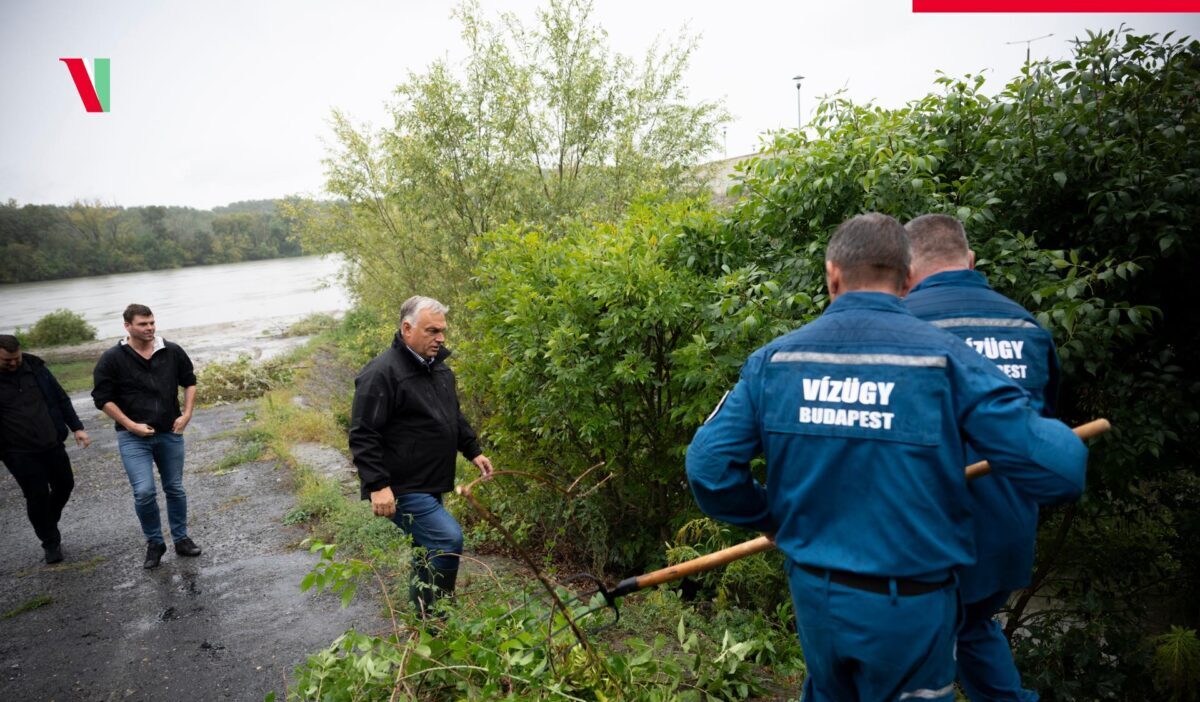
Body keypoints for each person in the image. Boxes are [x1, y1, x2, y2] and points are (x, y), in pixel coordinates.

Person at [685, 213, 1087, 702]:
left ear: (833, 273)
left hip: (816, 597)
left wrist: (772, 516)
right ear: (905, 277)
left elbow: (709, 468)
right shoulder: (948, 359)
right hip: (911, 607)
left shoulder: (776, 360)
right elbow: (1060, 469)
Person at [904, 213, 1059, 702]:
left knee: (912, 656)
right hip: (1006, 530)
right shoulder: (1027, 327)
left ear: (905, 271)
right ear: (970, 260)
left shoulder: (901, 326)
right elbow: (1039, 432)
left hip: (924, 532)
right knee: (973, 626)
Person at [349, 295, 493, 618]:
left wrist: (473, 450)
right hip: (401, 487)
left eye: (442, 331)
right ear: (407, 329)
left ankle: (422, 622)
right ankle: (440, 617)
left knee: (425, 551)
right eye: (432, 331)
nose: (440, 338)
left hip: (430, 482)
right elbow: (363, 433)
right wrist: (377, 485)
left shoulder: (439, 370)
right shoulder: (381, 373)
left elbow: (451, 416)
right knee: (447, 538)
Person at [92, 304, 201, 569]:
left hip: (169, 433)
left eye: (152, 322)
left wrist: (186, 414)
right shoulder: (112, 358)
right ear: (127, 326)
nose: (150, 328)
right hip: (133, 437)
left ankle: (181, 538)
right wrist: (130, 425)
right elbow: (102, 399)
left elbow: (189, 381)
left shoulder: (171, 350)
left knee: (174, 487)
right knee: (143, 492)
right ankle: (155, 542)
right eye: (143, 324)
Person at [0, 334, 90, 564]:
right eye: (6, 360)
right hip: (18, 452)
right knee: (36, 495)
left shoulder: (36, 368)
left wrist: (77, 427)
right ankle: (50, 542)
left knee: (65, 484)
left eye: (16, 358)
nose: (13, 363)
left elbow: (60, 398)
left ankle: (47, 521)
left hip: (51, 442)